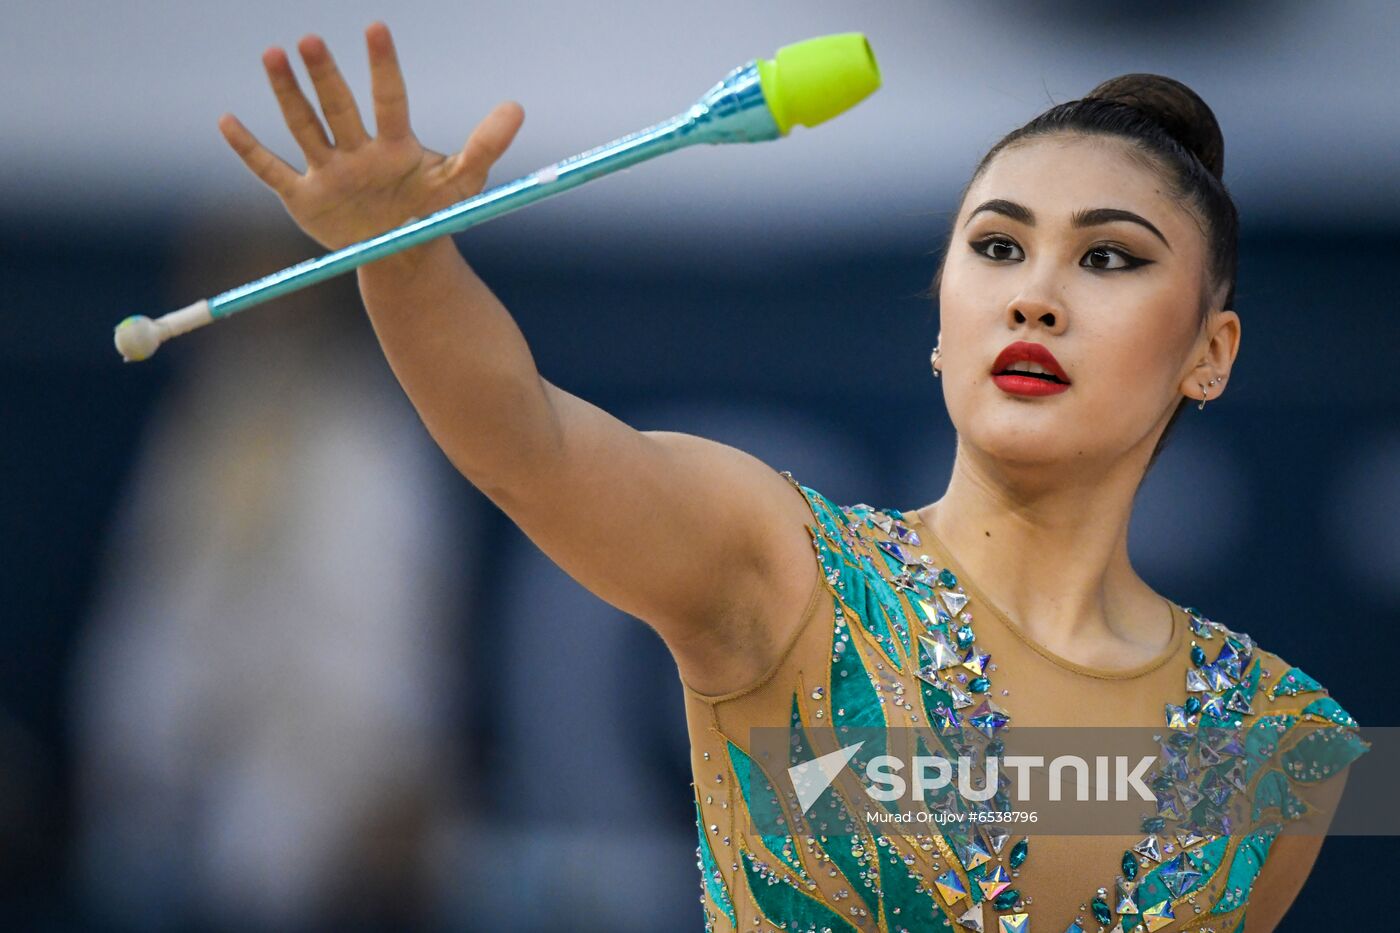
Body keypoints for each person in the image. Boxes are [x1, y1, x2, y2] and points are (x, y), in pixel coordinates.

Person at [217, 21, 1368, 932]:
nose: (1034, 295)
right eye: (996, 246)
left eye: (1107, 257)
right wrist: (404, 256)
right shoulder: (782, 571)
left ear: (1209, 352)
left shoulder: (1272, 740)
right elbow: (526, 445)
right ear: (941, 323)